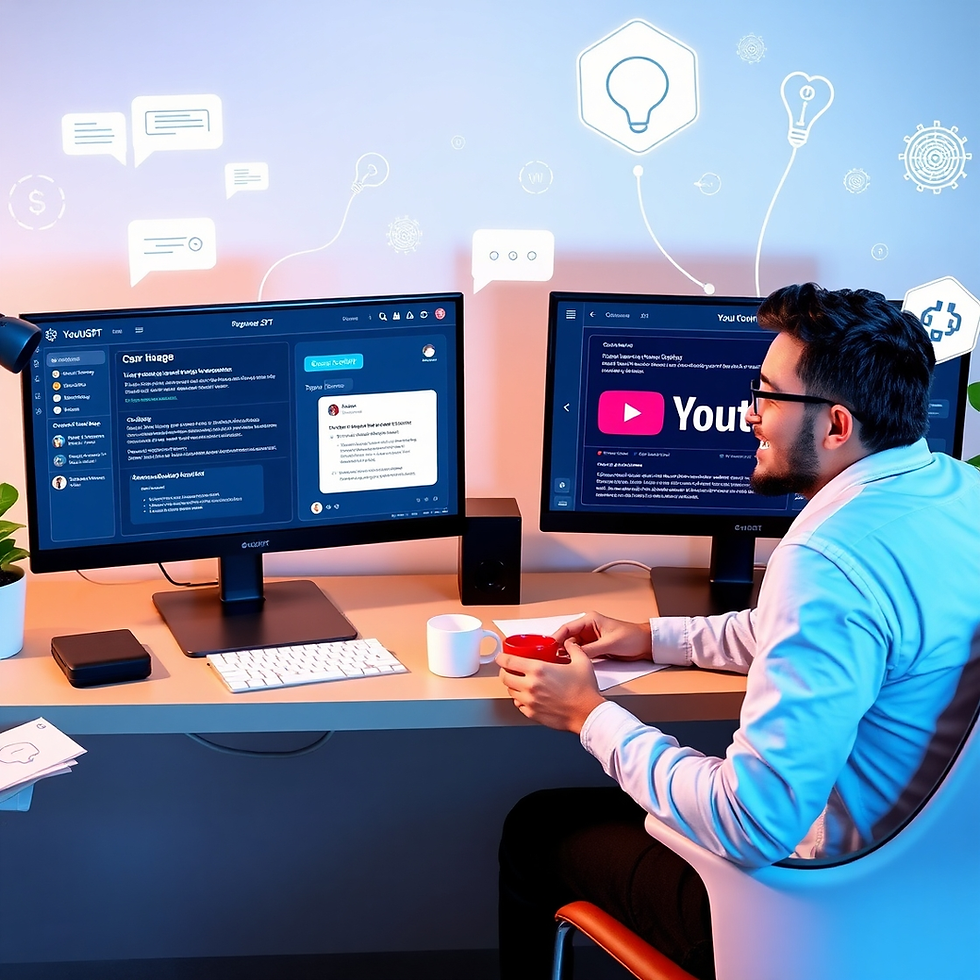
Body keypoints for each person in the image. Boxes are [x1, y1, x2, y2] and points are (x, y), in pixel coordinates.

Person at [497, 283, 980, 980]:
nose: (750, 415)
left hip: (811, 920)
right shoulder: (955, 495)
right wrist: (653, 637)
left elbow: (751, 822)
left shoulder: (827, 561)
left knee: (538, 829)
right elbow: (833, 637)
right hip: (940, 907)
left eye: (768, 397)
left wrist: (588, 715)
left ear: (836, 425)